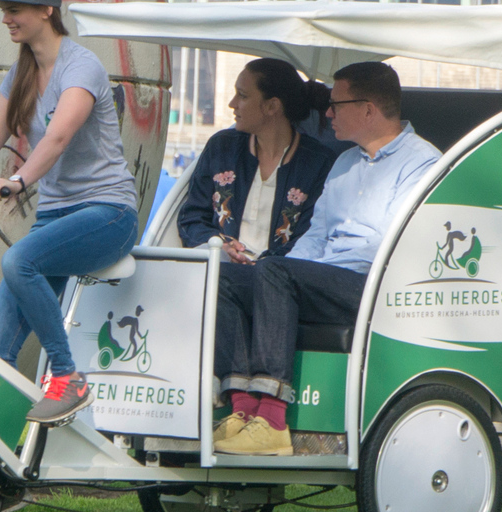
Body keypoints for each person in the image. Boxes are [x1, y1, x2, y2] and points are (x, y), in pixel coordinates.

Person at [0, 1, 138, 509]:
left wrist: (17, 181)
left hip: (107, 214)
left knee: (19, 261)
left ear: (46, 9)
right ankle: (4, 485)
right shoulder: (21, 74)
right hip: (57, 220)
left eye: (15, 8)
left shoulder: (82, 66)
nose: (6, 18)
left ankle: (67, 377)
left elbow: (58, 138)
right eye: (3, 9)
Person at [212, 62, 442, 456]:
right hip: (325, 279)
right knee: (224, 278)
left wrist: (285, 272)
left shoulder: (423, 164)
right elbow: (315, 238)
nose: (328, 113)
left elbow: (390, 248)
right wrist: (276, 270)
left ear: (368, 109)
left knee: (275, 272)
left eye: (336, 104)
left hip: (371, 287)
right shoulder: (344, 164)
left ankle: (271, 419)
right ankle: (243, 410)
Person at [178, 58, 337, 264]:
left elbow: (311, 237)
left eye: (242, 95)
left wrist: (264, 266)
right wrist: (218, 244)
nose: (232, 104)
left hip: (279, 279)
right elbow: (191, 217)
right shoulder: (221, 147)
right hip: (220, 270)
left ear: (272, 106)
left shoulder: (319, 163)